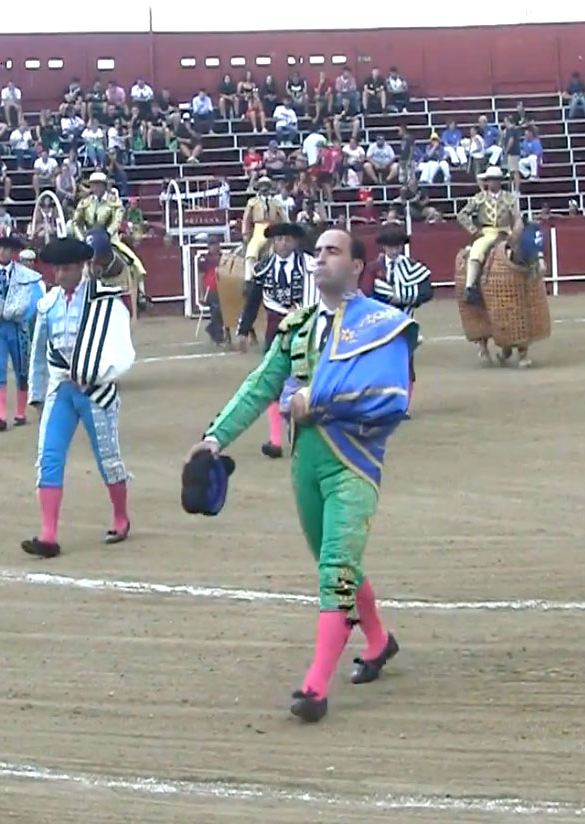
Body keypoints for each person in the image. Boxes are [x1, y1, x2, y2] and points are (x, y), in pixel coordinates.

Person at [187, 228, 413, 723]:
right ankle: (378, 641)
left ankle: (315, 686)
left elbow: (393, 398)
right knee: (336, 564)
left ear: (357, 267)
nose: (321, 258)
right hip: (305, 462)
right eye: (319, 252)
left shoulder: (383, 324)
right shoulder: (297, 328)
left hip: (354, 460)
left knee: (336, 566)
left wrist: (319, 399)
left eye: (333, 251)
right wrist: (214, 438)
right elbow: (260, 386)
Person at [21, 237, 136, 559]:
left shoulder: (103, 301)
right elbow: (40, 353)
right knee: (49, 456)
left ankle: (120, 517)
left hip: (95, 390)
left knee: (108, 458)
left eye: (66, 268)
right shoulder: (49, 304)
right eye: (56, 268)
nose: (59, 275)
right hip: (61, 390)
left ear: (82, 267)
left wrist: (101, 372)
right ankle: (48, 534)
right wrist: (37, 393)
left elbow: (117, 341)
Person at [236, 222, 317, 458]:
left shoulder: (310, 265)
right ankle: (275, 440)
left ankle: (302, 434)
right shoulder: (264, 267)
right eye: (279, 239)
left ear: (295, 242)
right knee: (273, 379)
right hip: (275, 327)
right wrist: (243, 329)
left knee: (304, 377)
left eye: (287, 239)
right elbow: (253, 300)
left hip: (305, 324)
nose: (282, 243)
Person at [0, 235, 45, 430]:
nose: (2, 252)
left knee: (22, 369)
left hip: (18, 326)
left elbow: (33, 298)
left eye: (6, 249)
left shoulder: (24, 275)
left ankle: (20, 412)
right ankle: (0, 415)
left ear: (13, 252)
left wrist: (22, 313)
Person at [71, 171, 149, 314]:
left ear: (104, 186)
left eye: (98, 185)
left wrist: (107, 235)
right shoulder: (85, 203)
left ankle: (141, 295)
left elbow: (117, 221)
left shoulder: (114, 202)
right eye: (93, 185)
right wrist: (82, 238)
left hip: (109, 239)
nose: (96, 188)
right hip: (88, 240)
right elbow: (76, 222)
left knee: (133, 262)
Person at [367, 227, 433, 395]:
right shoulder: (373, 268)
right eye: (391, 246)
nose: (395, 250)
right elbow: (366, 293)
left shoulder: (411, 267)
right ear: (384, 247)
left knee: (404, 362)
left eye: (398, 246)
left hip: (404, 321)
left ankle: (404, 404)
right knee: (379, 363)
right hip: (378, 324)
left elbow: (427, 292)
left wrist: (403, 298)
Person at [458, 167, 520, 306]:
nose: (492, 182)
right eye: (490, 180)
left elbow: (517, 218)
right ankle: (470, 287)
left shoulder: (509, 198)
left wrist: (515, 233)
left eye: (495, 180)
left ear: (500, 181)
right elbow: (462, 215)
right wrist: (473, 229)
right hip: (488, 233)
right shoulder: (479, 198)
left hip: (506, 233)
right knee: (476, 251)